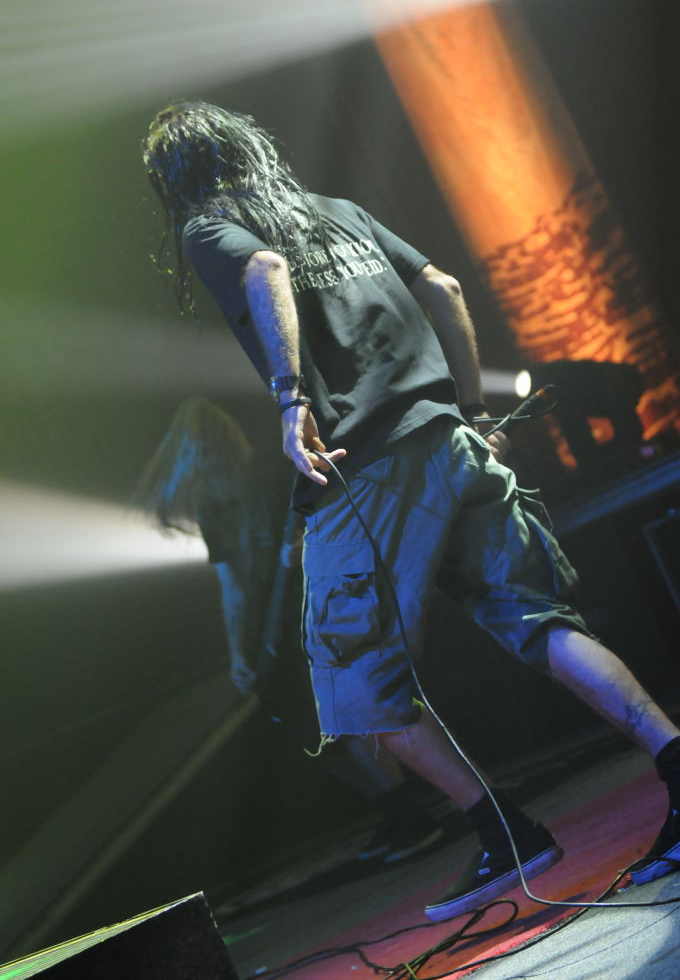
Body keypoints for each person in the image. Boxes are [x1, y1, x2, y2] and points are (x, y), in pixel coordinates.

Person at [141, 101, 680, 921]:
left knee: (353, 686)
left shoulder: (209, 228)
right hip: (450, 442)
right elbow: (443, 285)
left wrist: (291, 402)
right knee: (539, 623)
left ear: (175, 179)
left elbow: (268, 270)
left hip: (366, 470)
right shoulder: (338, 212)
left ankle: (505, 833)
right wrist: (473, 411)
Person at [133, 395, 444, 864]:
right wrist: (241, 654)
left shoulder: (267, 479)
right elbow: (234, 590)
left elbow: (330, 514)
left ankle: (407, 810)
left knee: (347, 718)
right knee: (316, 733)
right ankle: (395, 806)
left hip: (314, 611)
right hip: (278, 630)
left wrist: (304, 547)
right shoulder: (215, 510)